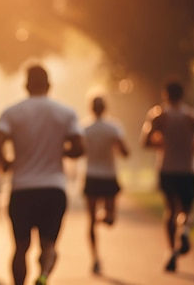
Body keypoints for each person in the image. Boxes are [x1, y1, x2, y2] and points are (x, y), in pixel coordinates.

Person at [0, 65, 85, 285]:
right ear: (49, 85)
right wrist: (61, 150)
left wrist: (6, 161)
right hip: (53, 190)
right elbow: (80, 148)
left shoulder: (12, 112)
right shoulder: (65, 113)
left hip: (21, 189)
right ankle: (43, 277)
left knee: (20, 248)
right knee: (49, 246)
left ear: (26, 85)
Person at [142, 80, 194, 272]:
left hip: (167, 169)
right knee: (186, 210)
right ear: (182, 95)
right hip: (187, 170)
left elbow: (145, 142)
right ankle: (186, 231)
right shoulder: (193, 117)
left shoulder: (159, 116)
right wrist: (192, 147)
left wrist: (162, 144)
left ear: (165, 94)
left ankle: (171, 251)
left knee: (171, 210)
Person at [82, 96, 129, 275]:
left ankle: (95, 257)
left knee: (92, 221)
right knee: (110, 219)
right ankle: (95, 259)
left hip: (92, 177)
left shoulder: (84, 128)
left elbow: (79, 150)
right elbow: (125, 152)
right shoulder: (113, 128)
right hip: (108, 177)